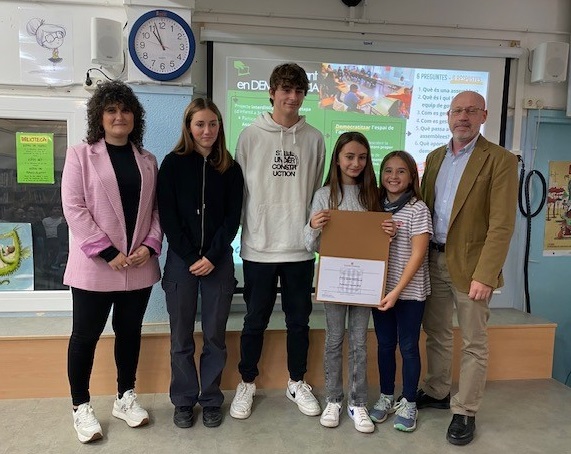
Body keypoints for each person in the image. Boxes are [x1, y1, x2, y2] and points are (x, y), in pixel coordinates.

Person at [61, 80, 162, 443]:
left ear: (135, 116)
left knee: (129, 333)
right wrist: (107, 252)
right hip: (95, 267)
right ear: (99, 117)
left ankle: (125, 396)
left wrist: (150, 246)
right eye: (111, 110)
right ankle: (81, 406)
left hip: (137, 266)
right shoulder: (80, 155)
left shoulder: (148, 160)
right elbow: (74, 208)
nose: (120, 116)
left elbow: (156, 211)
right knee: (85, 336)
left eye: (125, 110)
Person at [417, 91, 518, 445]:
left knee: (474, 341)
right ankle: (437, 389)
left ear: (484, 116)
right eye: (457, 110)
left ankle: (465, 410)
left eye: (471, 111)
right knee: (437, 331)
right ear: (448, 116)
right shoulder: (434, 157)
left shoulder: (500, 160)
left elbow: (502, 225)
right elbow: (423, 210)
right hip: (433, 258)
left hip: (473, 266)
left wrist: (486, 274)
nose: (463, 117)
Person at [229, 62, 325, 420]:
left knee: (299, 322)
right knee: (254, 320)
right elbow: (241, 192)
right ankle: (247, 383)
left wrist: (310, 234)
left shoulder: (314, 138)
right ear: (272, 93)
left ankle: (297, 382)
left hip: (300, 249)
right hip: (259, 247)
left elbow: (315, 192)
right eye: (285, 90)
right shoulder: (250, 136)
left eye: (299, 91)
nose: (292, 97)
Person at [157, 98, 243, 429]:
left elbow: (232, 219)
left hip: (218, 262)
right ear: (189, 127)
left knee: (214, 336)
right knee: (180, 336)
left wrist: (212, 257)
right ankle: (183, 399)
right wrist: (193, 257)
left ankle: (210, 399)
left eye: (213, 124)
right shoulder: (172, 164)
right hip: (182, 262)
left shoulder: (230, 168)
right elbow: (168, 216)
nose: (207, 130)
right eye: (200, 124)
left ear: (220, 126)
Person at [304, 131, 381, 433]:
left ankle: (357, 402)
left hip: (365, 282)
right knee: (334, 339)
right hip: (334, 279)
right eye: (349, 157)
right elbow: (310, 243)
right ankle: (334, 399)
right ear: (337, 159)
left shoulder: (373, 195)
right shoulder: (324, 195)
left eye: (362, 157)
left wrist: (387, 232)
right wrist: (313, 225)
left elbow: (379, 242)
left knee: (359, 341)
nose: (355, 163)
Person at [369, 151, 432, 433]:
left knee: (408, 346)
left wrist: (396, 291)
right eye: (388, 170)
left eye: (401, 171)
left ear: (412, 176)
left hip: (409, 293)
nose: (393, 177)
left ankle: (408, 401)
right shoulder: (374, 207)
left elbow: (418, 255)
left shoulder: (418, 209)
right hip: (380, 290)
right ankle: (386, 396)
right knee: (384, 345)